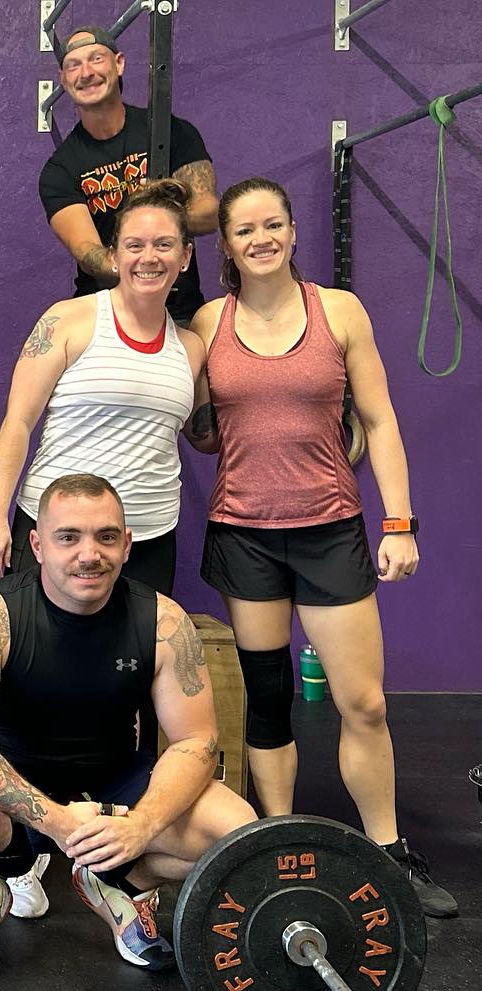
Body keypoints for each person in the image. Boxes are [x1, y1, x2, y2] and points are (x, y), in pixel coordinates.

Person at [185, 177, 457, 919]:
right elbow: (200, 430)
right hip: (244, 532)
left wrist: (399, 522)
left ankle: (389, 850)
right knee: (269, 700)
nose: (261, 239)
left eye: (272, 224)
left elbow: (381, 418)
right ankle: (276, 843)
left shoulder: (339, 311)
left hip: (329, 527)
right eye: (245, 230)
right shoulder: (210, 321)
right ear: (227, 244)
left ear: (293, 230)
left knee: (362, 701)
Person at [0, 474, 256, 979]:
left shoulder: (163, 622)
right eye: (68, 537)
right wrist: (56, 821)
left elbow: (195, 740)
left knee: (235, 831)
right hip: (7, 794)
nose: (89, 554)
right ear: (37, 545)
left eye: (106, 537)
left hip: (113, 784)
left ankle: (123, 886)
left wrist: (142, 825)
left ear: (127, 544)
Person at [0, 179, 203, 915]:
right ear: (113, 253)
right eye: (134, 244)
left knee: (133, 696)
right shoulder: (68, 320)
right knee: (26, 685)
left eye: (163, 244)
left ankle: (119, 852)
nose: (148, 256)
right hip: (59, 533)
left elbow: (204, 431)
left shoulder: (192, 346)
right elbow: (17, 421)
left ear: (186, 256)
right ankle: (21, 849)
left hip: (147, 537)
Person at [39, 27, 218, 325]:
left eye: (96, 59)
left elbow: (210, 214)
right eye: (74, 65)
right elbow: (87, 251)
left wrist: (160, 218)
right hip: (106, 316)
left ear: (119, 63)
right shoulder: (59, 170)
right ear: (64, 79)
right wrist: (140, 263)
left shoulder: (172, 131)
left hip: (179, 311)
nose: (86, 72)